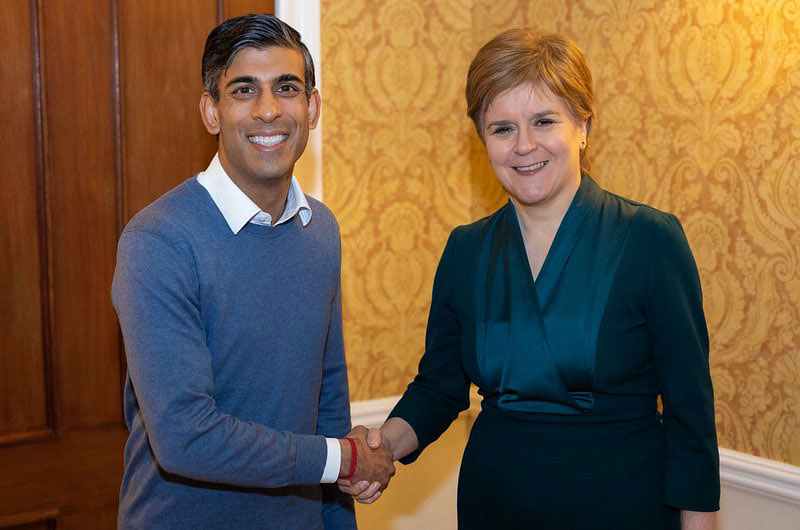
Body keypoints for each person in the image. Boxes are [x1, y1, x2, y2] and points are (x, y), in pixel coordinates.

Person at [340, 29, 720, 530]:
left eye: (544, 121)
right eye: (502, 128)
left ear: (583, 126)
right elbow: (439, 388)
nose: (524, 146)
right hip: (493, 506)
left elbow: (691, 422)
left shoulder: (650, 240)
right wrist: (380, 447)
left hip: (624, 508)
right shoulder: (466, 250)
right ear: (483, 139)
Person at [112, 14, 393, 529]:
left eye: (287, 88)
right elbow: (186, 438)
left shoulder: (321, 229)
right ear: (211, 111)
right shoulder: (158, 240)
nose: (268, 111)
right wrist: (343, 459)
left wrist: (338, 513)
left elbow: (327, 396)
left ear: (312, 107)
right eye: (244, 90)